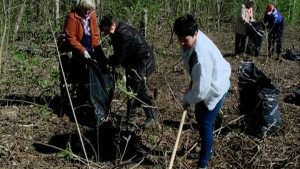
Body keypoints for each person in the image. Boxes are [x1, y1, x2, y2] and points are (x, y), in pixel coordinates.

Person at [173, 15, 231, 169]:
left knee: (204, 122)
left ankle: (203, 163)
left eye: (185, 40)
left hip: (216, 87)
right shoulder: (192, 38)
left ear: (195, 34)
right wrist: (192, 83)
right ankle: (206, 151)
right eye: (179, 39)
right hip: (211, 79)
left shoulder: (200, 55)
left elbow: (200, 92)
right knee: (201, 117)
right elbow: (197, 76)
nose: (181, 43)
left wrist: (186, 100)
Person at [99, 15, 157, 128]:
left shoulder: (123, 33)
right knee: (130, 88)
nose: (107, 34)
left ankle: (152, 114)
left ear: (113, 25)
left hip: (144, 62)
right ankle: (131, 117)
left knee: (138, 89)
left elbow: (120, 57)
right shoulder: (118, 32)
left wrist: (108, 63)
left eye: (107, 30)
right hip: (133, 63)